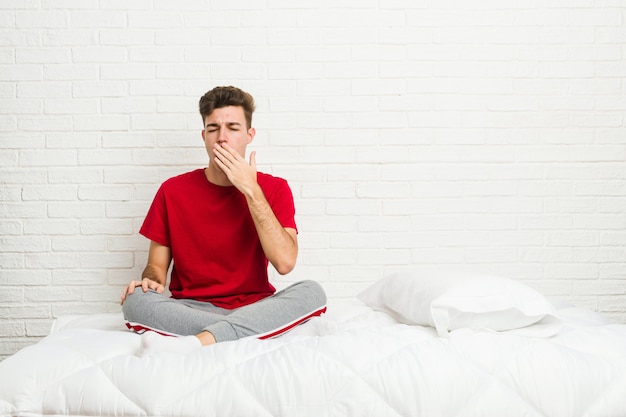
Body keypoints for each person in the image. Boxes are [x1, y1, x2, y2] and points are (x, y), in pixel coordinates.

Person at [120, 86, 327, 356]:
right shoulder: (172, 191)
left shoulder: (274, 189)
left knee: (312, 292)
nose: (222, 138)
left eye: (233, 127)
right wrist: (150, 282)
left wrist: (251, 191)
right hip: (190, 308)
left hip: (254, 306)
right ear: (204, 135)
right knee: (137, 300)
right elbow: (156, 267)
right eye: (214, 128)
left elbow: (285, 263)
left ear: (249, 135)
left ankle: (199, 341)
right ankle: (242, 331)